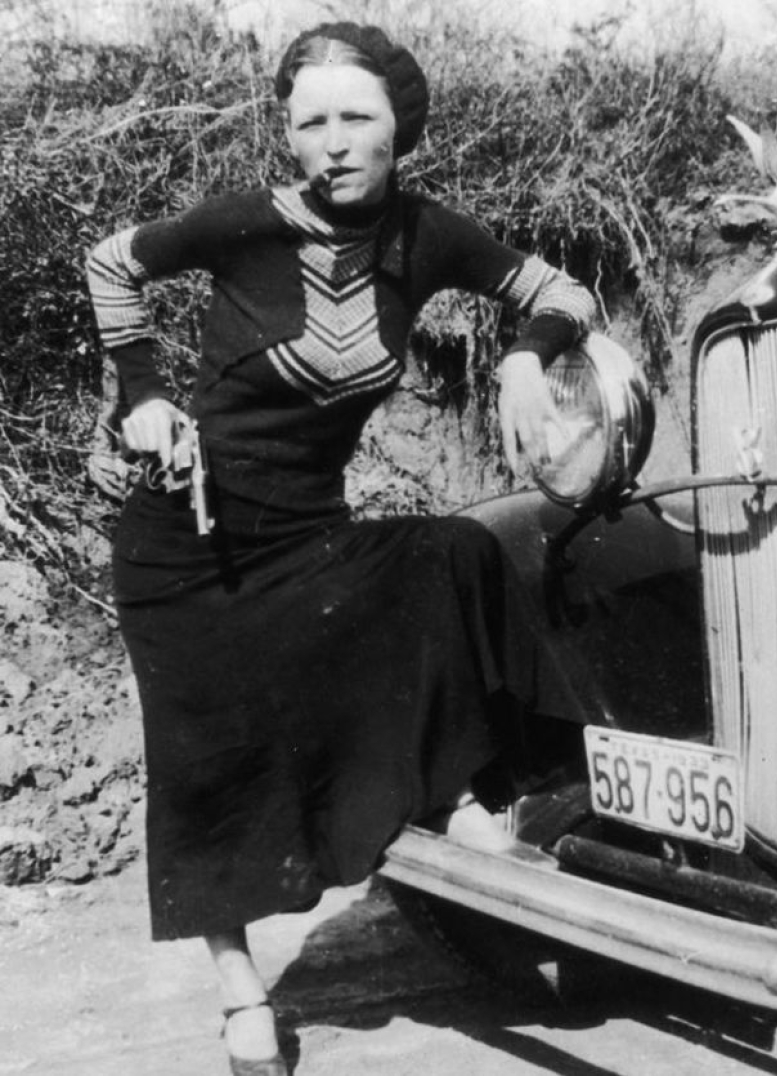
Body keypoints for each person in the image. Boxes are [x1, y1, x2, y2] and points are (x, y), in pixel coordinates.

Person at [86, 22, 596, 1076]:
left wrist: (522, 361)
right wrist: (143, 395)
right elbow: (110, 262)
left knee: (455, 552)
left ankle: (457, 794)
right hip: (189, 544)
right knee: (211, 761)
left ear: (398, 127)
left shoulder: (428, 236)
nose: (332, 143)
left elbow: (561, 292)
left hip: (310, 535)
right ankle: (240, 991)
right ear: (288, 135)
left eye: (355, 118)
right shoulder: (244, 225)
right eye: (309, 122)